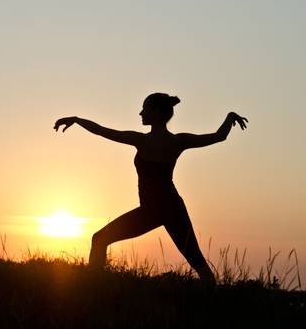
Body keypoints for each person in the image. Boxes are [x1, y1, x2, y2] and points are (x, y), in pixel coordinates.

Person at [53, 93, 248, 282]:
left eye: (145, 108)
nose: (140, 113)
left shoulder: (142, 140)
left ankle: (93, 287)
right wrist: (230, 116)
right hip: (172, 208)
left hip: (153, 210)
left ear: (157, 113)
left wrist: (77, 120)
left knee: (99, 239)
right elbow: (219, 136)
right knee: (198, 262)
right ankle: (214, 299)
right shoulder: (178, 141)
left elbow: (102, 131)